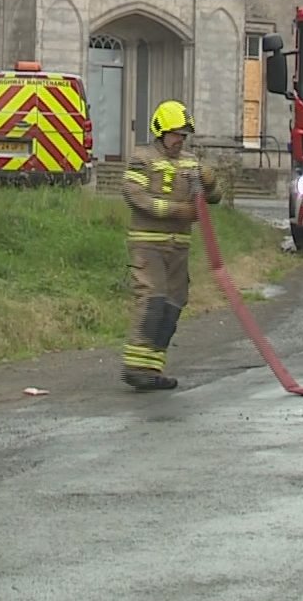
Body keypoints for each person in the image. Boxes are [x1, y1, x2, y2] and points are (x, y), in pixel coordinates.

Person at [119, 99, 224, 391]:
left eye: (183, 135)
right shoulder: (142, 159)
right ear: (161, 131)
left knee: (174, 301)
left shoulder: (191, 163)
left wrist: (210, 181)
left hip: (179, 246)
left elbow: (214, 198)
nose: (180, 140)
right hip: (148, 244)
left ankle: (153, 367)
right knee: (152, 297)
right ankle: (135, 366)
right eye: (175, 133)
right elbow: (133, 196)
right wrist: (175, 211)